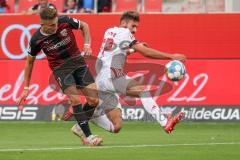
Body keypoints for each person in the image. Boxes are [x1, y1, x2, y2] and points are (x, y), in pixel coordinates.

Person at [65, 11, 186, 143]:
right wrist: (171, 56)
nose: (134, 30)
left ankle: (81, 124)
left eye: (136, 27)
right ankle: (164, 122)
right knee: (143, 91)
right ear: (123, 23)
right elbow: (145, 52)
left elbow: (117, 51)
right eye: (133, 26)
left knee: (116, 126)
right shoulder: (124, 32)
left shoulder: (109, 31)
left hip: (102, 80)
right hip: (112, 75)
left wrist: (133, 49)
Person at [17, 7, 102, 146]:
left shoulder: (65, 21)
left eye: (56, 23)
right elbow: (29, 63)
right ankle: (89, 137)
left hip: (78, 63)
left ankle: (79, 127)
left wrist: (87, 44)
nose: (55, 26)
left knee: (93, 100)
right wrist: (26, 87)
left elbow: (84, 26)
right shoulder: (36, 40)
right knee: (75, 100)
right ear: (42, 24)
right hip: (61, 70)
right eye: (51, 25)